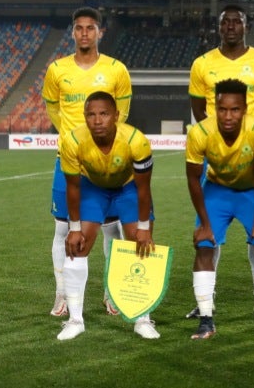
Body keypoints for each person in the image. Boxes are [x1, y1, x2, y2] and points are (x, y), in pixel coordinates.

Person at [187, 4, 254, 320]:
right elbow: (198, 107)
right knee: (207, 237)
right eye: (225, 22)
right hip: (219, 167)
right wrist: (218, 136)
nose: (230, 26)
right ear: (219, 27)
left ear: (245, 26)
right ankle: (205, 301)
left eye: (236, 21)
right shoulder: (201, 64)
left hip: (252, 159)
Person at [42, 6, 132, 318]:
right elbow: (53, 110)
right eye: (79, 27)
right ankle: (62, 295)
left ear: (100, 32)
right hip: (68, 163)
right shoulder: (56, 70)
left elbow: (123, 113)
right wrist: (71, 138)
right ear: (73, 32)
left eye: (90, 28)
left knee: (112, 230)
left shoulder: (116, 70)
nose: (84, 33)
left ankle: (112, 294)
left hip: (106, 163)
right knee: (63, 230)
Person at [55, 91, 158, 341]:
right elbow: (73, 186)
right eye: (91, 114)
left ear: (116, 116)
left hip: (129, 189)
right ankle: (75, 320)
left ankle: (142, 319)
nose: (97, 120)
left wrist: (144, 226)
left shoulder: (136, 140)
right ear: (84, 117)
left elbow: (144, 189)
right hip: (93, 189)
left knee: (141, 245)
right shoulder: (71, 141)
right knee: (77, 246)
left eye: (103, 114)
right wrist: (75, 227)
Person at [186, 79, 254, 341]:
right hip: (217, 190)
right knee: (204, 245)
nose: (228, 116)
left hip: (252, 191)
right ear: (214, 107)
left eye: (235, 110)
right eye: (222, 109)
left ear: (245, 109)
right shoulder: (199, 133)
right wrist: (204, 224)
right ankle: (206, 321)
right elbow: (194, 179)